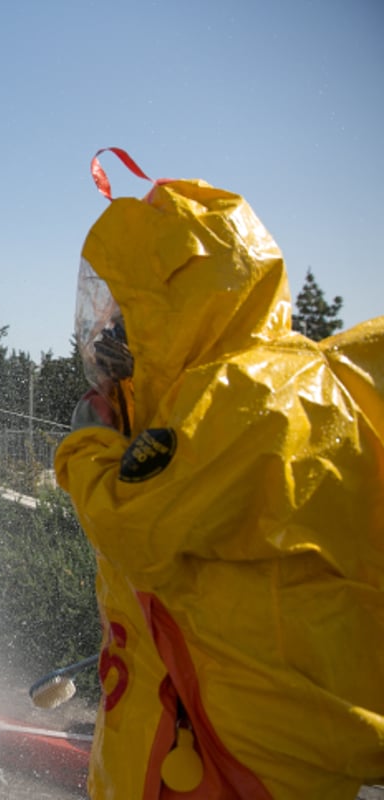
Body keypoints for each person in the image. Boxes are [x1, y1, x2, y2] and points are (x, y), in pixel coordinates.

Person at [55, 165, 384, 799]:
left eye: (127, 317)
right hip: (211, 740)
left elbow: (130, 520)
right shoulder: (272, 386)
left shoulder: (244, 397)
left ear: (182, 307)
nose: (111, 338)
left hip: (233, 765)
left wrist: (84, 440)